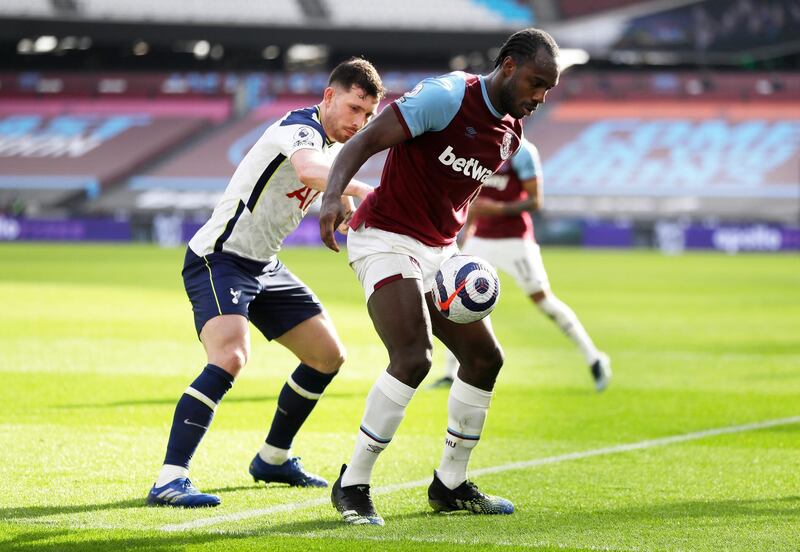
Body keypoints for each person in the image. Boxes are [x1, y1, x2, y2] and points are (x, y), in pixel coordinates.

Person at [319, 28, 560, 526]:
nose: (539, 97)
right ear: (510, 66)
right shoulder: (448, 96)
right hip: (383, 235)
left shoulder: (511, 134)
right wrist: (330, 198)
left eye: (548, 91)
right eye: (536, 83)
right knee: (412, 357)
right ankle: (353, 484)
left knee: (484, 358)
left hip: (438, 251)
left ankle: (450, 484)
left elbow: (457, 199)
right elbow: (364, 141)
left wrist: (457, 254)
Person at [146, 58, 385, 508]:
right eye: (355, 108)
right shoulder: (298, 128)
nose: (361, 122)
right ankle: (169, 479)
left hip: (263, 265)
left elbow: (313, 190)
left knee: (327, 357)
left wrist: (345, 213)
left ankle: (272, 458)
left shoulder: (334, 149)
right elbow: (312, 172)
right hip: (219, 258)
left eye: (369, 115)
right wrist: (362, 191)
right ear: (330, 96)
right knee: (231, 357)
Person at [429, 138, 611, 392]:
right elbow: (473, 198)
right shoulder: (481, 145)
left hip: (516, 241)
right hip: (481, 240)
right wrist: (467, 231)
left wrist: (500, 209)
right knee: (459, 300)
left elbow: (536, 201)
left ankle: (594, 357)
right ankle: (450, 373)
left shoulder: (523, 151)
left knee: (544, 301)